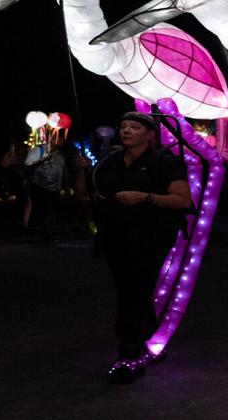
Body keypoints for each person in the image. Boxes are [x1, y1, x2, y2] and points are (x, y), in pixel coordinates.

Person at [91, 111, 191, 383]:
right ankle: (146, 337)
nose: (126, 131)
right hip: (115, 234)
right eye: (123, 126)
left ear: (150, 134)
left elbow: (182, 200)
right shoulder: (110, 161)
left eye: (134, 127)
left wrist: (144, 197)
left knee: (135, 286)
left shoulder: (164, 161)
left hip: (150, 234)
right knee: (128, 286)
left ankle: (130, 347)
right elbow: (96, 192)